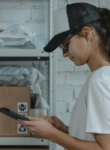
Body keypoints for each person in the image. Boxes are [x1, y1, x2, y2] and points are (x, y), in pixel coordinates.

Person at [18, 3, 110, 150]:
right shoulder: (101, 78)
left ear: (87, 34)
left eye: (65, 45)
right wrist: (64, 129)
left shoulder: (100, 81)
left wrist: (52, 134)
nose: (64, 54)